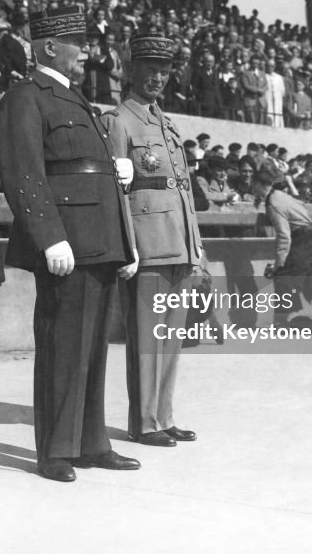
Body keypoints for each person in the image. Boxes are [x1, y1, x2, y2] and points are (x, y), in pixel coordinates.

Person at [0, 5, 139, 483]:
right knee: (62, 347)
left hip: (100, 242)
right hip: (67, 245)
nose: (86, 51)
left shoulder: (76, 98)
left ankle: (91, 442)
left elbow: (99, 177)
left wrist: (125, 240)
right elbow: (23, 172)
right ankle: (56, 449)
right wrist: (49, 236)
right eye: (77, 41)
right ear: (50, 46)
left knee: (94, 349)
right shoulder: (26, 96)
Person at [102, 35, 201, 448]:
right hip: (147, 247)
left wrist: (198, 251)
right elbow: (116, 192)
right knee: (147, 339)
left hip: (179, 243)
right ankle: (143, 421)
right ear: (131, 71)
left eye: (165, 70)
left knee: (171, 340)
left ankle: (164, 415)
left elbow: (184, 193)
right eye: (150, 69)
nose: (158, 77)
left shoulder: (168, 123)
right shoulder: (118, 121)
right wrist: (127, 247)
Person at [254, 165, 312, 319]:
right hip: (307, 235)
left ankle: (284, 320)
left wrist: (279, 262)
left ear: (258, 185)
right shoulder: (278, 194)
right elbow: (300, 204)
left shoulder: (273, 202)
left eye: (254, 186)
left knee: (284, 277)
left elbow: (284, 235)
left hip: (302, 239)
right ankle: (287, 318)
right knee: (291, 278)